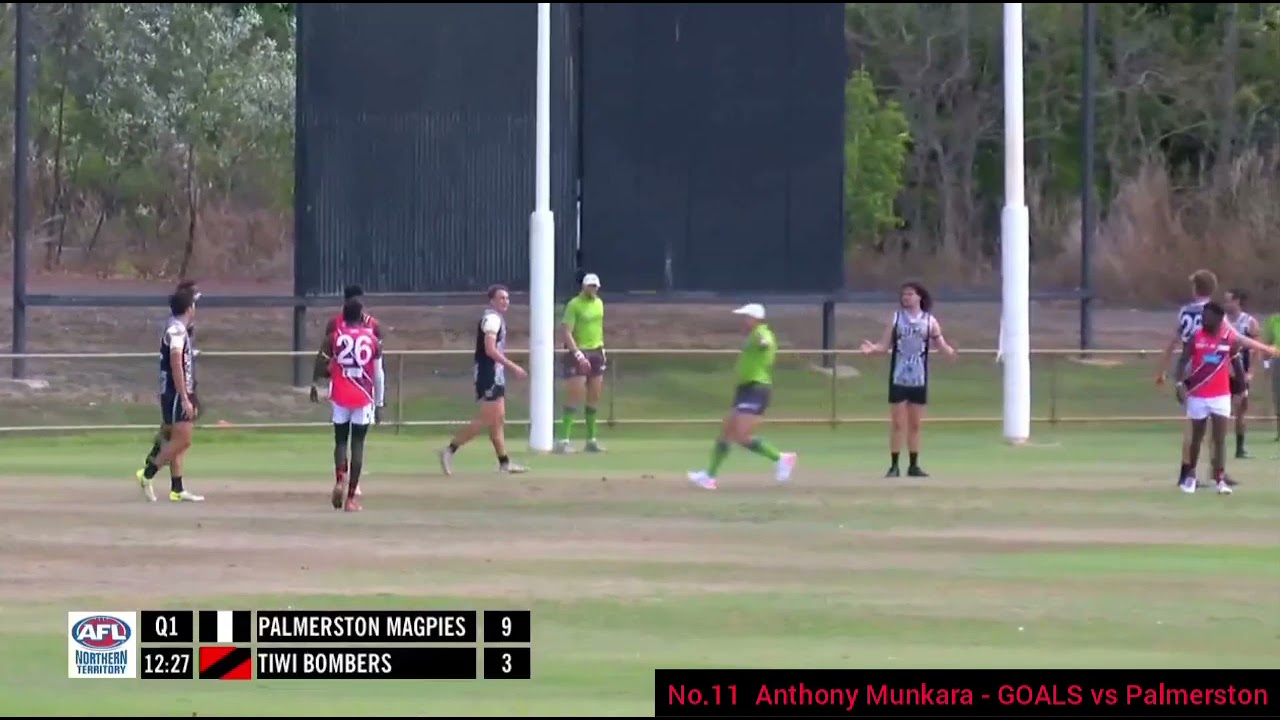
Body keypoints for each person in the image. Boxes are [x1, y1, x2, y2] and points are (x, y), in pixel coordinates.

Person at [686, 303, 797, 490]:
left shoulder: (762, 332)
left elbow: (766, 342)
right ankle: (709, 476)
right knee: (726, 432)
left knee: (741, 436)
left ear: (754, 318)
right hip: (745, 388)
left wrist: (763, 343)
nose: (744, 320)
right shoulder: (753, 334)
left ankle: (781, 458)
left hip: (756, 388)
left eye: (747, 317)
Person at [1176, 301, 1279, 495]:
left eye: (1208, 316)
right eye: (1203, 315)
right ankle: (1190, 476)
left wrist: (1242, 389)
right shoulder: (1196, 337)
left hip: (1221, 396)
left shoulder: (1228, 338)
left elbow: (1236, 364)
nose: (1204, 319)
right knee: (1196, 438)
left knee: (1220, 439)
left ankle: (1220, 479)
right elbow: (1182, 361)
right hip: (1198, 395)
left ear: (1219, 319)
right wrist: (1179, 384)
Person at [860, 282, 957, 477]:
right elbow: (884, 345)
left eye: (910, 294)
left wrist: (949, 352)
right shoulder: (896, 318)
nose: (906, 297)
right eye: (904, 294)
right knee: (897, 423)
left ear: (919, 297)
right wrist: (873, 349)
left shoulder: (929, 321)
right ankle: (894, 465)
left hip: (919, 378)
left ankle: (914, 465)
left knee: (915, 425)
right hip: (899, 377)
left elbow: (940, 343)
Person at [438, 285, 529, 475]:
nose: (505, 301)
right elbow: (490, 349)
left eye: (507, 298)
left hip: (496, 374)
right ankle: (450, 449)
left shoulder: (497, 319)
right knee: (486, 419)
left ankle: (504, 462)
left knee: (498, 419)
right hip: (488, 374)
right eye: (501, 298)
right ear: (492, 300)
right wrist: (513, 366)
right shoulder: (492, 320)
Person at [311, 284, 384, 496]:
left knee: (341, 439)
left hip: (342, 389)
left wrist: (317, 381)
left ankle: (341, 477)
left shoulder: (344, 328)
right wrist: (379, 402)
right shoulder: (363, 330)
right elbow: (378, 369)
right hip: (362, 389)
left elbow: (324, 355)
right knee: (358, 441)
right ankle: (351, 491)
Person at [136, 287, 205, 503]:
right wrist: (184, 397)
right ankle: (147, 474)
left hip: (175, 390)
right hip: (175, 391)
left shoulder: (179, 328)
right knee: (183, 440)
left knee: (173, 439)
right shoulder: (176, 330)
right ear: (188, 308)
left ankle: (177, 488)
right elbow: (176, 362)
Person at [1155, 269, 1219, 487]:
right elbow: (1219, 345)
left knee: (1193, 423)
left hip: (1186, 368)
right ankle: (1207, 472)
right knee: (1212, 422)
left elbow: (1174, 342)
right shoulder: (1214, 312)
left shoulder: (1185, 311)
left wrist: (1162, 369)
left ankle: (1188, 472)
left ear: (1195, 288)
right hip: (1206, 369)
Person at [556, 273, 608, 453]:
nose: (593, 289)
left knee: (594, 395)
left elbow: (598, 329)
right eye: (590, 286)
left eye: (595, 286)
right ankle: (563, 440)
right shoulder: (574, 304)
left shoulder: (599, 303)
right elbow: (567, 331)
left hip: (596, 351)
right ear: (584, 286)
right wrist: (577, 354)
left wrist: (602, 349)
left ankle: (591, 440)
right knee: (574, 395)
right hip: (578, 351)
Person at [1224, 289, 1261, 459]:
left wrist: (1251, 372)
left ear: (1237, 301)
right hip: (1223, 373)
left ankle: (1240, 448)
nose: (1226, 304)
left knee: (1240, 410)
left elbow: (1256, 349)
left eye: (1229, 300)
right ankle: (1218, 446)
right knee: (1220, 411)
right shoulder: (1221, 321)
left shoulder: (1249, 322)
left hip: (1241, 373)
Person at [1264, 302, 1280, 442]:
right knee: (1278, 397)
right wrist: (1266, 365)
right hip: (1277, 361)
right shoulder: (1274, 320)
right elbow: (1268, 344)